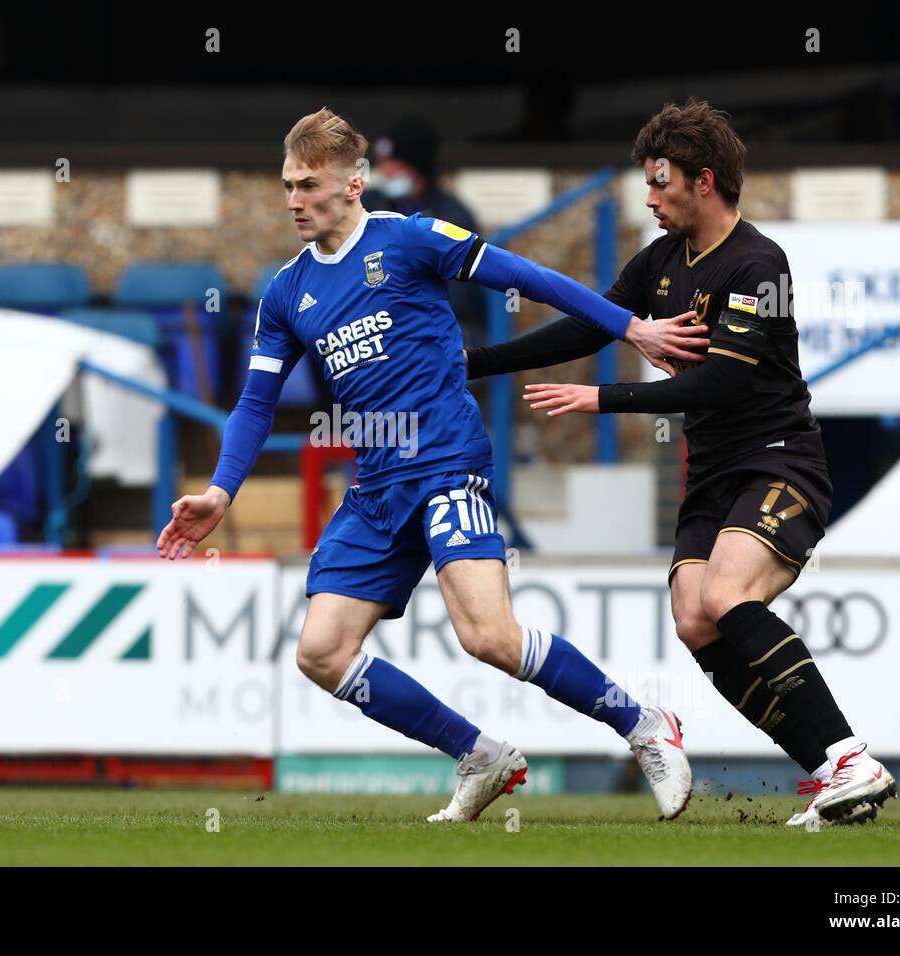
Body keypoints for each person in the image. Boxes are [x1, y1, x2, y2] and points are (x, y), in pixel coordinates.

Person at [157, 107, 708, 822]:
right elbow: (255, 404)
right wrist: (222, 493)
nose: (294, 200)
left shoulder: (410, 239)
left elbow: (531, 278)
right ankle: (479, 754)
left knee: (488, 637)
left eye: (309, 184)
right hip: (376, 489)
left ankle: (642, 725)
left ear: (354, 183)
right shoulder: (286, 293)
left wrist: (629, 327)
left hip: (446, 464)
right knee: (321, 652)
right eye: (288, 185)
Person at [464, 100, 896, 827]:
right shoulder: (661, 260)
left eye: (660, 183)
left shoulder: (759, 264)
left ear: (704, 180)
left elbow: (720, 383)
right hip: (713, 475)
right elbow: (589, 325)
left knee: (728, 594)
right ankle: (830, 773)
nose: (649, 197)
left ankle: (854, 757)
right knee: (696, 620)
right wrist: (474, 362)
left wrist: (601, 398)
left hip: (778, 462)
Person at [362, 118, 487, 350]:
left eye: (394, 163)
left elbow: (457, 296)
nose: (385, 171)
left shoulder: (451, 214)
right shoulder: (369, 204)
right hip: (374, 322)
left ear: (417, 166)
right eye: (382, 163)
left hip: (443, 323)